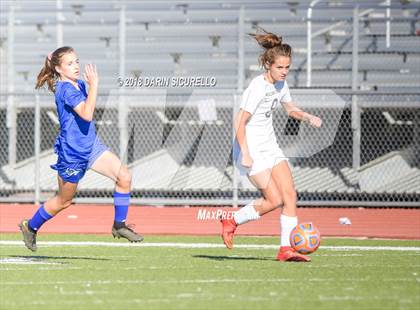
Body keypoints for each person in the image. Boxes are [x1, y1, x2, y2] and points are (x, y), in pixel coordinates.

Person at [19, 46, 143, 251]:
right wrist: (94, 85)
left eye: (76, 61)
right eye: (69, 63)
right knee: (63, 201)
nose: (76, 66)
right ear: (58, 69)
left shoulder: (80, 85)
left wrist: (91, 86)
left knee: (124, 177)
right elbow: (87, 114)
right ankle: (30, 227)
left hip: (91, 147)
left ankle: (119, 225)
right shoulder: (65, 89)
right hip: (73, 154)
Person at [221, 29, 322, 262]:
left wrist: (307, 117)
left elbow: (290, 109)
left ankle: (286, 249)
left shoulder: (281, 85)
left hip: (271, 147)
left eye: (287, 67)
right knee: (274, 200)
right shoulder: (257, 86)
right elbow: (239, 121)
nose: (284, 72)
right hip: (250, 150)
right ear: (268, 64)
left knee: (290, 195)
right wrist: (245, 153)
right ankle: (232, 220)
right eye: (280, 67)